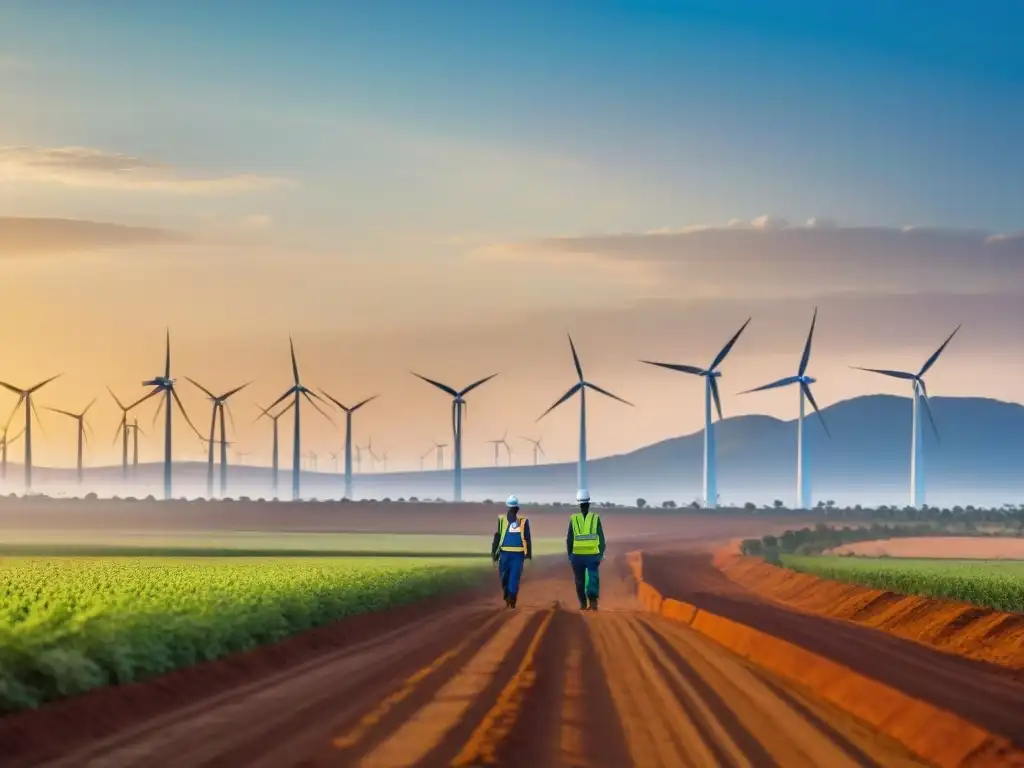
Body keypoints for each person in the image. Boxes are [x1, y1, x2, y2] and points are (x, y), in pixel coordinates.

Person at [567, 489, 605, 610]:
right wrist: (601, 554)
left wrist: (570, 556)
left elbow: (569, 539)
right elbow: (602, 538)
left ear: (579, 504)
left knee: (580, 581)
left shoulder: (574, 519)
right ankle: (591, 601)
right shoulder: (595, 518)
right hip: (592, 555)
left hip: (578, 556)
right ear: (589, 504)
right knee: (592, 579)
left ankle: (584, 604)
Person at [491, 495, 532, 608]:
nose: (513, 510)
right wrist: (494, 554)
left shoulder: (523, 521)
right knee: (503, 577)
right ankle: (507, 594)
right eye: (512, 508)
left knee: (514, 577)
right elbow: (497, 537)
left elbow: (527, 538)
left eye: (514, 509)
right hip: (504, 553)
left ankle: (512, 598)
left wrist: (528, 555)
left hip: (518, 555)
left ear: (517, 509)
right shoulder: (502, 520)